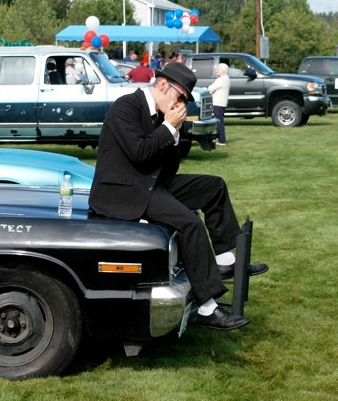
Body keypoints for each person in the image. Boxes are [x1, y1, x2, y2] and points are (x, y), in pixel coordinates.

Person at [89, 62, 268, 331]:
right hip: (123, 191)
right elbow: (140, 153)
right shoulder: (126, 107)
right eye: (181, 97)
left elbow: (169, 167)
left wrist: (172, 131)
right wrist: (169, 128)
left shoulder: (161, 115)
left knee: (214, 186)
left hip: (150, 183)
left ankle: (224, 260)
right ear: (163, 85)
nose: (181, 104)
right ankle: (208, 309)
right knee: (188, 223)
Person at [208, 63, 230, 146]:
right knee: (219, 121)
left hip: (218, 103)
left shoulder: (221, 79)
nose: (217, 70)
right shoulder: (226, 78)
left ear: (223, 70)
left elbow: (211, 88)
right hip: (221, 103)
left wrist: (212, 89)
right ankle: (220, 138)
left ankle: (222, 140)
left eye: (218, 69)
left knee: (218, 121)